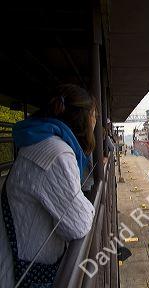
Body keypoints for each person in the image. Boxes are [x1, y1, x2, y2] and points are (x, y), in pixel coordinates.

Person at [0, 84, 96, 287]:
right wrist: (87, 206)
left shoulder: (42, 143)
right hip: (27, 276)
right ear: (83, 118)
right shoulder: (56, 154)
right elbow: (78, 224)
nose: (95, 122)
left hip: (23, 265)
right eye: (94, 115)